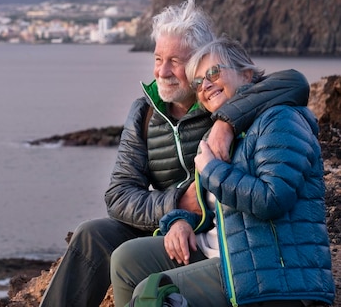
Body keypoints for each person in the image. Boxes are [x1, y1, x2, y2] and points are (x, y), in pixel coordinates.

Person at [39, 0, 311, 307]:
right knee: (91, 235)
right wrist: (179, 205)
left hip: (221, 229)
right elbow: (118, 196)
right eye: (157, 58)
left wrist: (226, 121)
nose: (162, 71)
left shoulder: (220, 95)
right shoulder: (144, 113)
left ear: (200, 60)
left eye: (175, 61)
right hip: (166, 224)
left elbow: (293, 83)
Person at [110, 37, 335, 307]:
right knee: (126, 260)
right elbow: (210, 205)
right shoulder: (220, 134)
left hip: (271, 271)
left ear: (246, 73)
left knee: (152, 291)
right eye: (198, 82)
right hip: (223, 251)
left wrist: (213, 170)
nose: (205, 85)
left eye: (214, 73)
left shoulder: (279, 119)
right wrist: (180, 221)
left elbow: (273, 199)